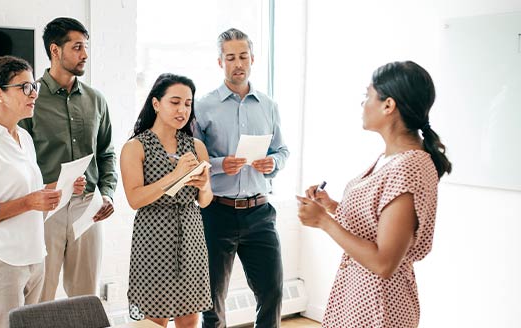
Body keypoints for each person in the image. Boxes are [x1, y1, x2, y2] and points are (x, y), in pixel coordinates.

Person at [296, 61, 451, 328]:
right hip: (359, 298)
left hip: (379, 307)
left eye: (367, 96)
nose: (362, 104)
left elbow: (383, 262)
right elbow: (376, 223)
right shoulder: (392, 159)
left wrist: (324, 221)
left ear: (388, 105)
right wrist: (333, 206)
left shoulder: (409, 167)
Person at [0, 55, 86, 328]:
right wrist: (29, 202)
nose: (34, 94)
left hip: (33, 254)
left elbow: (26, 191)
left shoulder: (23, 137)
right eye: (25, 87)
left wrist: (59, 187)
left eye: (34, 86)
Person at [194, 28, 290, 328]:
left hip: (260, 213)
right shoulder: (202, 105)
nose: (238, 63)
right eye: (231, 57)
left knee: (272, 292)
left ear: (252, 59)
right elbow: (195, 161)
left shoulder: (269, 106)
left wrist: (272, 162)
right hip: (216, 213)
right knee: (211, 301)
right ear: (220, 61)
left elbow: (283, 150)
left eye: (243, 56)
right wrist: (222, 164)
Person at [18, 17, 117, 301]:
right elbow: (18, 159)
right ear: (55, 50)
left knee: (86, 296)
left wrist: (107, 193)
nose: (84, 54)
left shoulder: (96, 99)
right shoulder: (29, 98)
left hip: (88, 206)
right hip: (46, 208)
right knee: (40, 295)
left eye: (86, 47)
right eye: (77, 47)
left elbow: (107, 152)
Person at [120, 73, 213, 327]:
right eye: (175, 102)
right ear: (156, 104)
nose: (182, 109)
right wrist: (175, 176)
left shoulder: (196, 146)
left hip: (191, 234)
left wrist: (204, 186)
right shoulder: (136, 147)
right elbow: (134, 199)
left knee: (191, 317)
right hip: (153, 236)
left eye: (187, 103)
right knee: (155, 319)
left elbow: (204, 201)